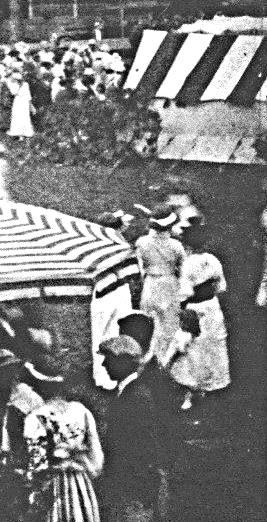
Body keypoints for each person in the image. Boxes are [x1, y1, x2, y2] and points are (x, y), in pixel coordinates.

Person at [97, 335, 173, 522]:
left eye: (109, 359)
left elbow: (142, 447)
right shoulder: (127, 393)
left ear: (123, 362)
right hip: (129, 486)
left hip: (133, 488)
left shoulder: (137, 397)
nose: (104, 365)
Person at [22, 361, 104, 522]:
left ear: (40, 386)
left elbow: (37, 464)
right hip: (80, 483)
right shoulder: (81, 410)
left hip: (53, 487)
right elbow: (96, 459)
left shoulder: (35, 417)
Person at [165, 225, 230, 409]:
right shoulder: (213, 259)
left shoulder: (189, 263)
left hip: (195, 308)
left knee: (194, 350)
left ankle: (193, 392)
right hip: (213, 308)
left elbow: (185, 292)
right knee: (212, 347)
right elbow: (221, 287)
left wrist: (182, 307)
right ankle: (208, 389)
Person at [134, 206, 185, 365]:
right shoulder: (176, 245)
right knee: (169, 324)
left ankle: (150, 357)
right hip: (169, 283)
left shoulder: (141, 242)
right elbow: (183, 269)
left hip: (150, 282)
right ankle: (164, 359)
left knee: (151, 322)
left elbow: (140, 267)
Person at [6, 71, 35, 139]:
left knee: (24, 115)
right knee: (17, 115)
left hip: (23, 101)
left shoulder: (25, 84)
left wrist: (31, 105)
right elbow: (13, 93)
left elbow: (28, 95)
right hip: (19, 100)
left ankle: (25, 132)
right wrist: (17, 84)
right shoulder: (14, 85)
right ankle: (17, 132)